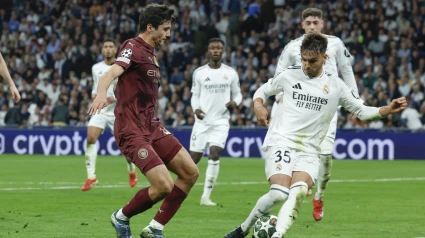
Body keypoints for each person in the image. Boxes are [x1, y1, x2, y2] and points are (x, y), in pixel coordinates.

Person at [224, 33, 407, 238]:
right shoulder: (289, 74)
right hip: (282, 142)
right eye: (303, 59)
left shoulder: (336, 86)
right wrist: (258, 104)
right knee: (279, 193)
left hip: (310, 151)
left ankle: (278, 235)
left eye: (312, 61)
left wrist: (387, 109)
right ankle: (242, 230)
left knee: (299, 192)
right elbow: (263, 90)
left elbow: (362, 112)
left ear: (324, 59)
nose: (306, 65)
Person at [88, 4, 199, 238]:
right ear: (151, 27)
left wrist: (113, 95)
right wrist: (100, 93)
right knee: (164, 186)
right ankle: (121, 217)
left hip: (152, 126)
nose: (169, 34)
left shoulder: (151, 54)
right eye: (165, 29)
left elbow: (130, 85)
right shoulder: (132, 46)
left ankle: (155, 228)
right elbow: (111, 73)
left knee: (190, 172)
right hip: (131, 129)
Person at [272, 8, 359, 221]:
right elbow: (279, 72)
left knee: (326, 158)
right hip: (300, 108)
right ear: (302, 24)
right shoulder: (292, 47)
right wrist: (280, 93)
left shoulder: (335, 43)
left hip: (327, 109)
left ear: (322, 23)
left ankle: (319, 196)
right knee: (295, 149)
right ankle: (302, 181)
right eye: (308, 22)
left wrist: (355, 100)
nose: (312, 26)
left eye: (315, 22)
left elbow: (346, 70)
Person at [190, 38, 242, 206]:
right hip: (202, 122)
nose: (215, 50)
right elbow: (195, 96)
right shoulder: (199, 73)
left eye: (218, 48)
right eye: (212, 48)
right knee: (193, 160)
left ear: (223, 51)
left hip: (221, 122)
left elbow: (238, 95)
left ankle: (206, 197)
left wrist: (235, 102)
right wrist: (195, 110)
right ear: (208, 51)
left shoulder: (231, 73)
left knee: (214, 153)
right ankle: (175, 189)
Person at [82, 39, 138, 191]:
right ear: (102, 50)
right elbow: (96, 87)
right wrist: (95, 95)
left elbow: (126, 91)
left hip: (117, 112)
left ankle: (131, 170)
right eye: (105, 47)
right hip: (101, 110)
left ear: (116, 50)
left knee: (125, 148)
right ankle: (91, 177)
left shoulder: (121, 67)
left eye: (110, 47)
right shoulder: (96, 68)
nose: (107, 49)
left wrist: (111, 99)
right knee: (90, 138)